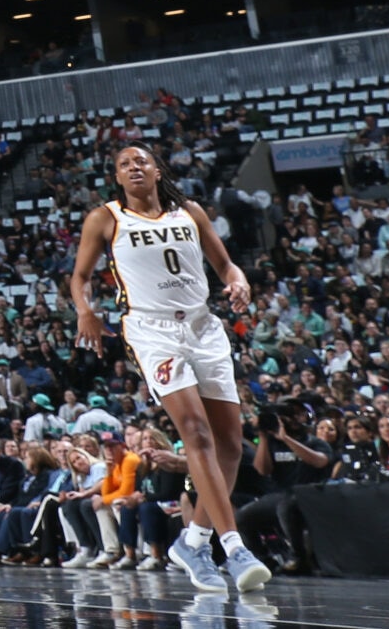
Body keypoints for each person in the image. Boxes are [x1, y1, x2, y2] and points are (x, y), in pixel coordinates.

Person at [70, 143, 268, 595]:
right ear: (118, 178)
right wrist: (85, 310)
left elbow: (224, 263)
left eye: (141, 160)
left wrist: (239, 281)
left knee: (231, 447)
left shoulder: (190, 211)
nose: (133, 167)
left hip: (203, 325)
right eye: (124, 164)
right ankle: (233, 548)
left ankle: (193, 541)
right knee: (196, 434)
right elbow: (79, 276)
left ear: (157, 170)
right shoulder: (105, 218)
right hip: (152, 330)